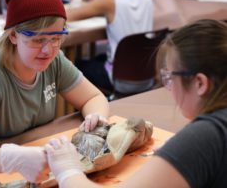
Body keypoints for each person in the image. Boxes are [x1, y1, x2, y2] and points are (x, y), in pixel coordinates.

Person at [45, 19, 227, 188]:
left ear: (200, 83)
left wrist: (67, 171)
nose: (169, 88)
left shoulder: (205, 136)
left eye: (170, 77)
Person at [0, 0, 109, 184]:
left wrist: (96, 115)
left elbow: (92, 97)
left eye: (56, 38)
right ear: (13, 36)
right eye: (38, 40)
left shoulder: (54, 61)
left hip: (38, 166)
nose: (48, 50)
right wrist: (15, 158)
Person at [68, 0, 153, 95]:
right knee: (98, 58)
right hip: (146, 77)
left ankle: (71, 108)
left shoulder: (109, 1)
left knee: (72, 66)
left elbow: (69, 15)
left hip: (119, 80)